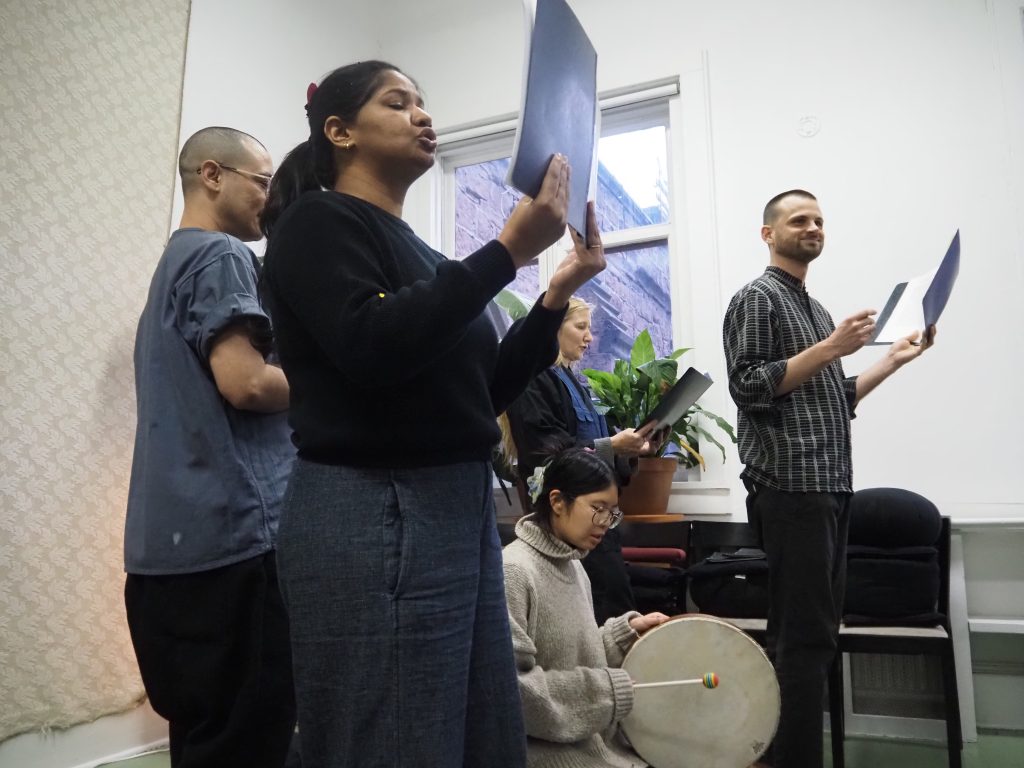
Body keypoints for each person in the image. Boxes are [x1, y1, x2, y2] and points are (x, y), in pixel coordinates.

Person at [258, 60, 607, 768]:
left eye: (424, 102)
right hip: (376, 506)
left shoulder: (421, 254)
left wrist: (554, 293)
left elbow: (480, 392)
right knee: (395, 737)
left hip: (451, 509)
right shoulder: (314, 223)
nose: (422, 115)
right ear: (339, 131)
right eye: (398, 102)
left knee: (473, 733)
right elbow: (370, 347)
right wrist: (508, 250)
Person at [722, 189, 935, 768]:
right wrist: (832, 346)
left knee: (817, 634)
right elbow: (749, 386)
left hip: (828, 485)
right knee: (803, 639)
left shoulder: (814, 309)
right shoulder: (757, 298)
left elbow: (834, 398)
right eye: (798, 220)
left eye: (818, 220)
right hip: (790, 488)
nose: (813, 227)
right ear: (768, 234)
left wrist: (891, 359)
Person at [124, 127, 297, 767]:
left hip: (164, 560)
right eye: (263, 181)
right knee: (251, 741)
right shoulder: (220, 255)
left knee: (205, 742)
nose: (271, 198)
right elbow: (247, 384)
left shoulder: (169, 270)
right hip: (233, 549)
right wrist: (325, 382)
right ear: (213, 175)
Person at [502, 446, 670, 767]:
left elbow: (569, 656)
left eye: (613, 512)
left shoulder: (574, 564)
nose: (606, 522)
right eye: (598, 508)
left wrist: (623, 635)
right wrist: (606, 691)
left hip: (595, 748)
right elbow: (511, 690)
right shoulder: (514, 571)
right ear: (557, 502)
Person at [503, 296, 654, 622]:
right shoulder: (533, 380)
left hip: (599, 523)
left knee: (615, 609)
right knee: (596, 613)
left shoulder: (576, 382)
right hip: (565, 525)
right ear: (553, 330)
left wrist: (630, 451)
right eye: (581, 327)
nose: (590, 337)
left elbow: (599, 452)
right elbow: (546, 451)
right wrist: (612, 446)